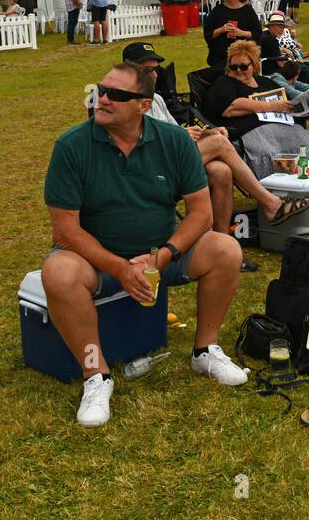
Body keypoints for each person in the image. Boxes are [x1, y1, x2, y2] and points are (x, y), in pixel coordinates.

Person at [43, 60, 250, 427]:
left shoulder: (174, 142)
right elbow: (66, 233)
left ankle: (205, 350)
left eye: (116, 95)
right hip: (99, 262)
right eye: (100, 90)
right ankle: (96, 376)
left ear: (143, 105)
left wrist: (162, 257)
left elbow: (200, 214)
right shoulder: (71, 146)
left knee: (226, 249)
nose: (102, 100)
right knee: (58, 272)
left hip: (160, 257)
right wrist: (120, 268)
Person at [121, 43, 309, 264]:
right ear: (129, 70)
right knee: (221, 144)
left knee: (221, 171)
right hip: (151, 168)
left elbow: (173, 132)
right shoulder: (125, 102)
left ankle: (221, 247)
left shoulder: (155, 99)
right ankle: (270, 204)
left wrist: (205, 132)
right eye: (148, 70)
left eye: (156, 69)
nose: (155, 75)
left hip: (172, 157)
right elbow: (142, 144)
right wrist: (186, 135)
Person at [203, 40, 309, 179]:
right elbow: (230, 107)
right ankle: (275, 191)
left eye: (243, 66)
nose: (238, 70)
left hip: (284, 126)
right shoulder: (225, 83)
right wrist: (270, 106)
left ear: (254, 65)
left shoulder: (265, 82)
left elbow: (287, 101)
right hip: (251, 131)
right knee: (265, 151)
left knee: (304, 142)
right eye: (233, 67)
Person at [201, 0, 262, 68]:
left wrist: (241, 33)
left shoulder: (248, 10)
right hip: (220, 59)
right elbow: (208, 34)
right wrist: (222, 29)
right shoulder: (218, 10)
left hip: (243, 59)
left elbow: (258, 33)